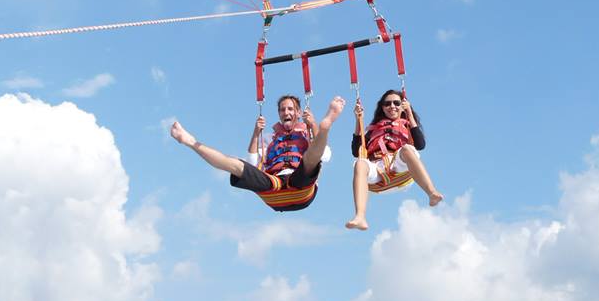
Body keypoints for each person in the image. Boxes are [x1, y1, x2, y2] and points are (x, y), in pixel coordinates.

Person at [171, 94, 345, 213]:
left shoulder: (307, 132)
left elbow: (325, 155)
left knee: (309, 159)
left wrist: (314, 125)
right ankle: (190, 141)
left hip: (301, 186)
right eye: (283, 110)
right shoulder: (269, 138)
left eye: (291, 109)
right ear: (279, 113)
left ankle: (326, 126)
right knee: (236, 165)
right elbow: (253, 163)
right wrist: (256, 133)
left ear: (298, 113)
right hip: (273, 185)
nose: (286, 112)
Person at [346, 89, 443, 231]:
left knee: (407, 149)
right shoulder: (374, 130)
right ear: (382, 107)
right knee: (360, 163)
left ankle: (432, 193)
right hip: (378, 169)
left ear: (402, 106)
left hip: (399, 166)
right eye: (387, 104)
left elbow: (420, 145)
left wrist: (409, 113)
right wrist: (358, 121)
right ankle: (360, 216)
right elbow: (356, 151)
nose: (392, 106)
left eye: (396, 103)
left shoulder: (407, 125)